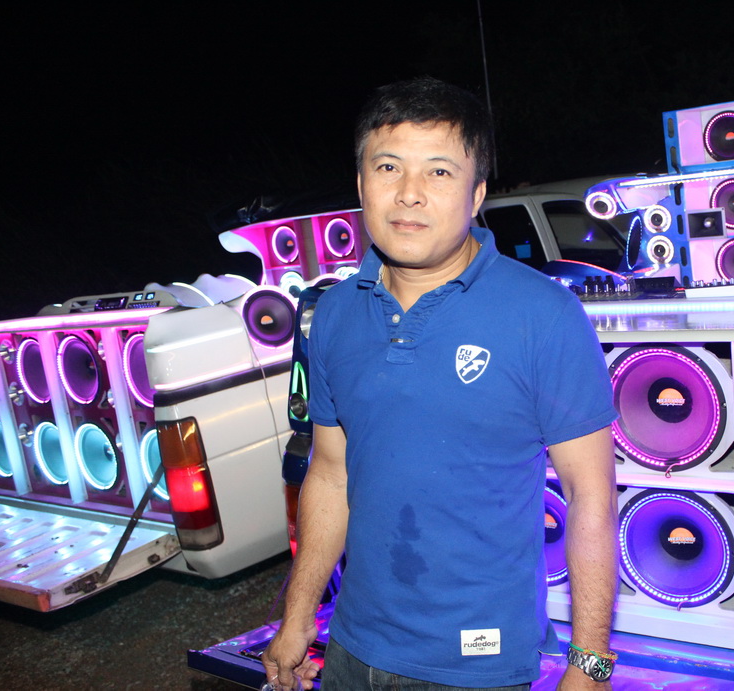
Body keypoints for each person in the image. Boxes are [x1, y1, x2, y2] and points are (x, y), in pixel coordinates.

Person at [263, 76, 619, 690]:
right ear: (361, 185)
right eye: (388, 167)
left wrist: (590, 665)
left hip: (478, 663)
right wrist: (297, 620)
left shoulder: (544, 315)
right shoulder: (335, 314)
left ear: (476, 194)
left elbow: (592, 496)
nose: (409, 193)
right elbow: (330, 473)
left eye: (439, 172)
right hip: (351, 647)